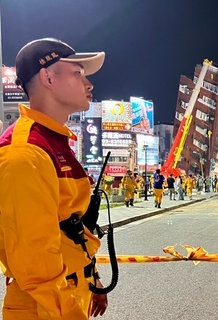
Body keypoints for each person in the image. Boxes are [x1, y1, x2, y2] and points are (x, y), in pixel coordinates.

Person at [0, 38, 108, 319]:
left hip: (67, 295)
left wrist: (91, 276)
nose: (89, 84)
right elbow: (36, 264)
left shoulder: (53, 142)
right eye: (78, 73)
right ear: (48, 77)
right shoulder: (24, 152)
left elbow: (67, 227)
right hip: (44, 307)